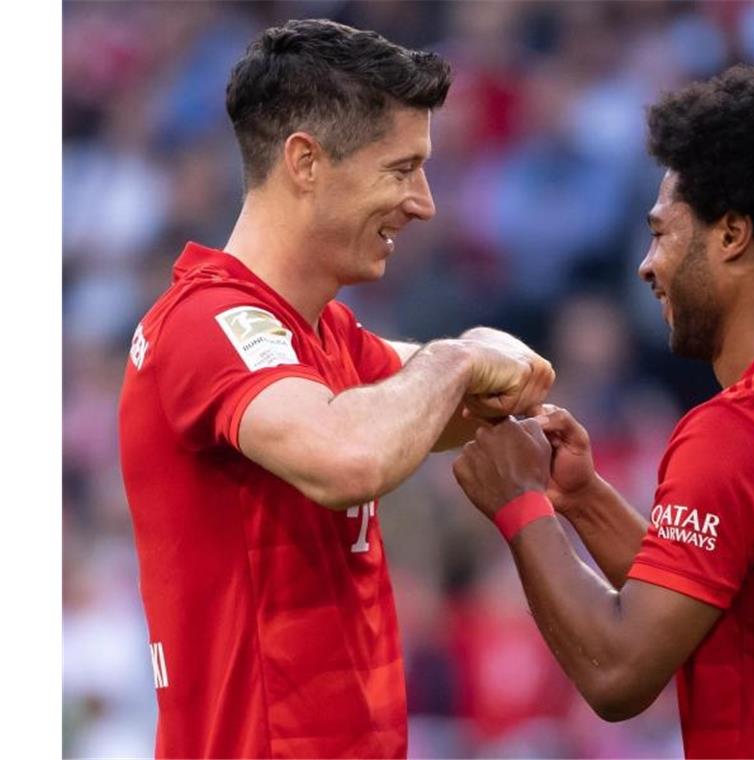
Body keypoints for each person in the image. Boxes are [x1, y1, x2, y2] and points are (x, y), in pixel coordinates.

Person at [452, 65, 754, 759]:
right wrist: (580, 500)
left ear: (732, 234)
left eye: (663, 233)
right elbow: (716, 604)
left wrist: (519, 505)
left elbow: (619, 673)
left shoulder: (739, 432)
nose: (648, 266)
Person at [118, 19, 554, 759]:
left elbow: (489, 397)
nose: (424, 202)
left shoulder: (323, 338)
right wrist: (455, 358)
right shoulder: (208, 324)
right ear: (306, 162)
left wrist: (475, 365)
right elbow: (352, 456)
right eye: (400, 169)